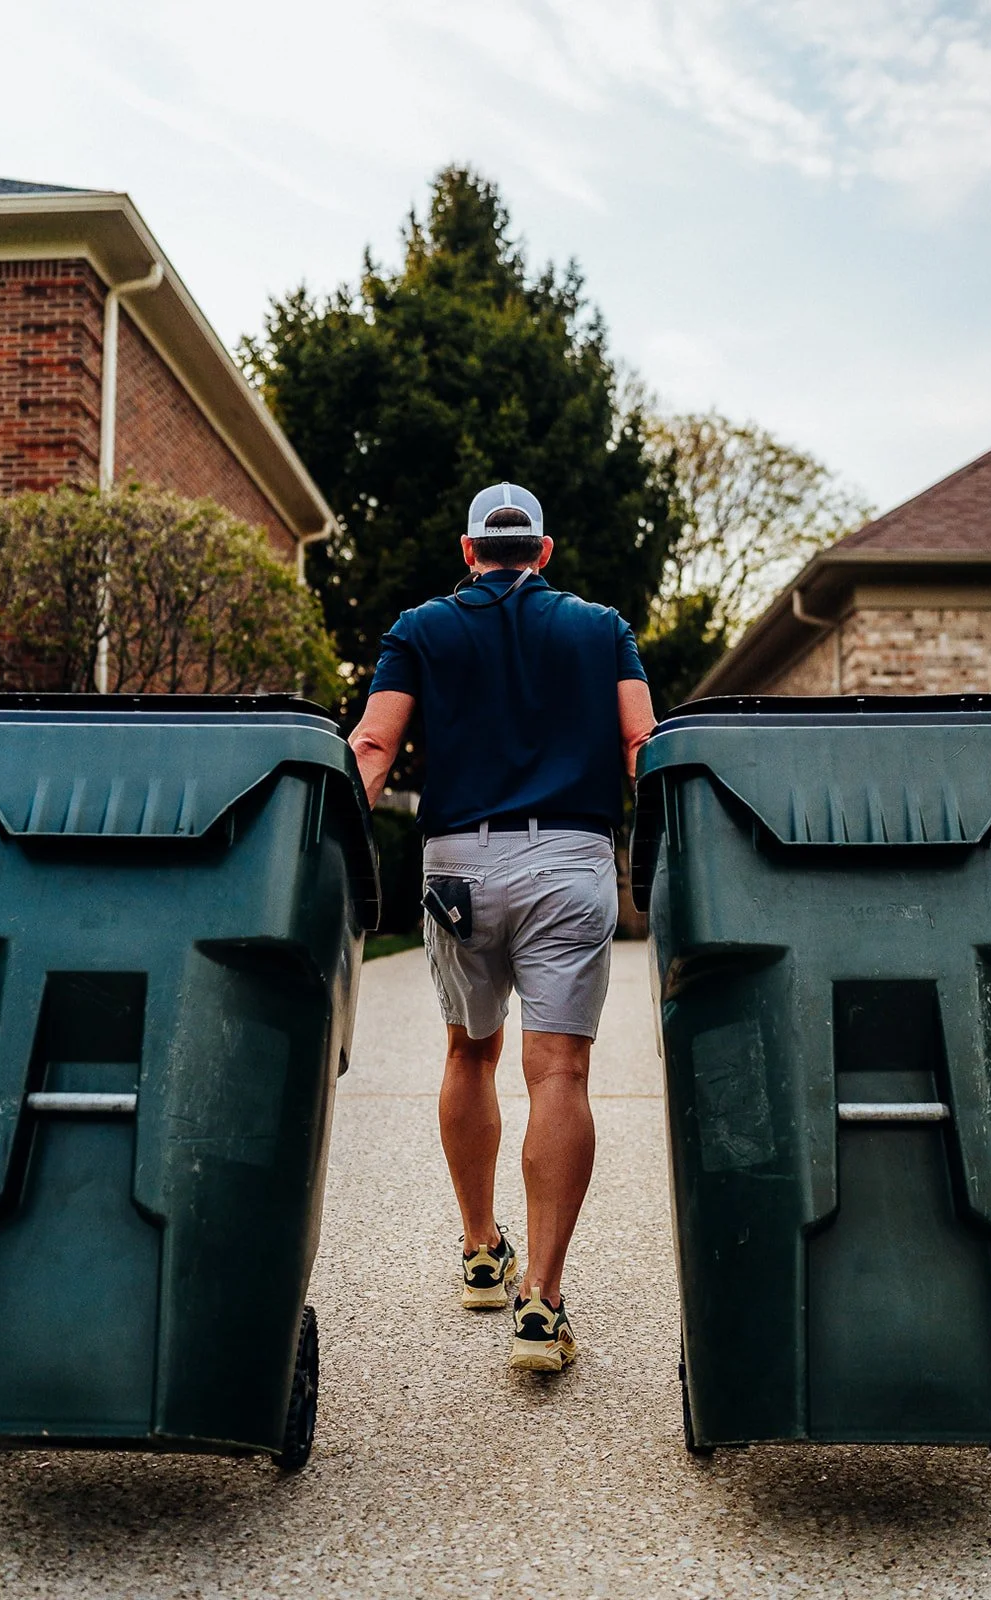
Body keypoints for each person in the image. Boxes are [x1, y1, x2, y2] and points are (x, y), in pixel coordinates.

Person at [348, 482, 656, 1371]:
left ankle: (482, 1251)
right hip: (570, 858)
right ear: (544, 552)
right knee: (557, 1068)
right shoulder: (603, 629)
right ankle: (542, 1302)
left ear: (469, 549)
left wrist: (322, 850)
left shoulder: (422, 628)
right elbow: (643, 745)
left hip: (459, 868)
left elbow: (372, 747)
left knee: (468, 1052)